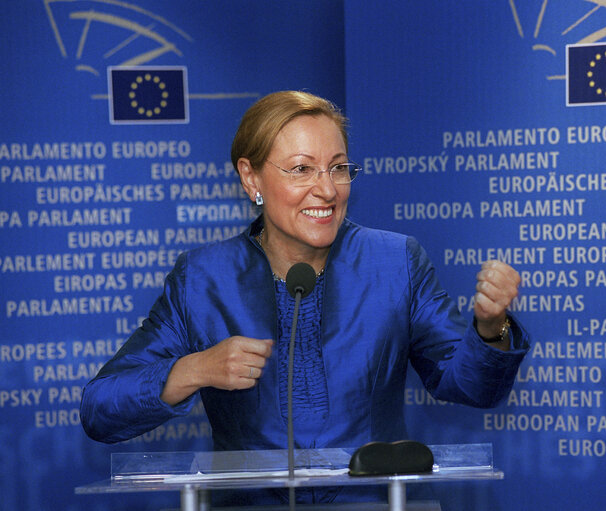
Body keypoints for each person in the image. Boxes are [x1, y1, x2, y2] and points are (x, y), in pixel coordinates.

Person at [80, 90, 530, 505]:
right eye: (301, 169)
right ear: (250, 177)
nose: (327, 189)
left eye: (338, 167)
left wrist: (490, 329)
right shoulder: (202, 278)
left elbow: (471, 386)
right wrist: (194, 368)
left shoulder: (395, 263)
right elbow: (101, 410)